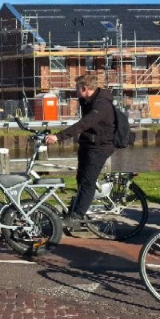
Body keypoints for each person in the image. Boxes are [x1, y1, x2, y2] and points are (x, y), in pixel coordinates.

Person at [44, 74, 116, 221]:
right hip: (88, 144)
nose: (75, 91)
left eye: (77, 88)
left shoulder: (102, 104)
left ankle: (77, 216)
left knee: (88, 182)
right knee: (81, 179)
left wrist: (58, 136)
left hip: (100, 146)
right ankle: (77, 208)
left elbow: (84, 124)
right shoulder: (87, 100)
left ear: (84, 88)